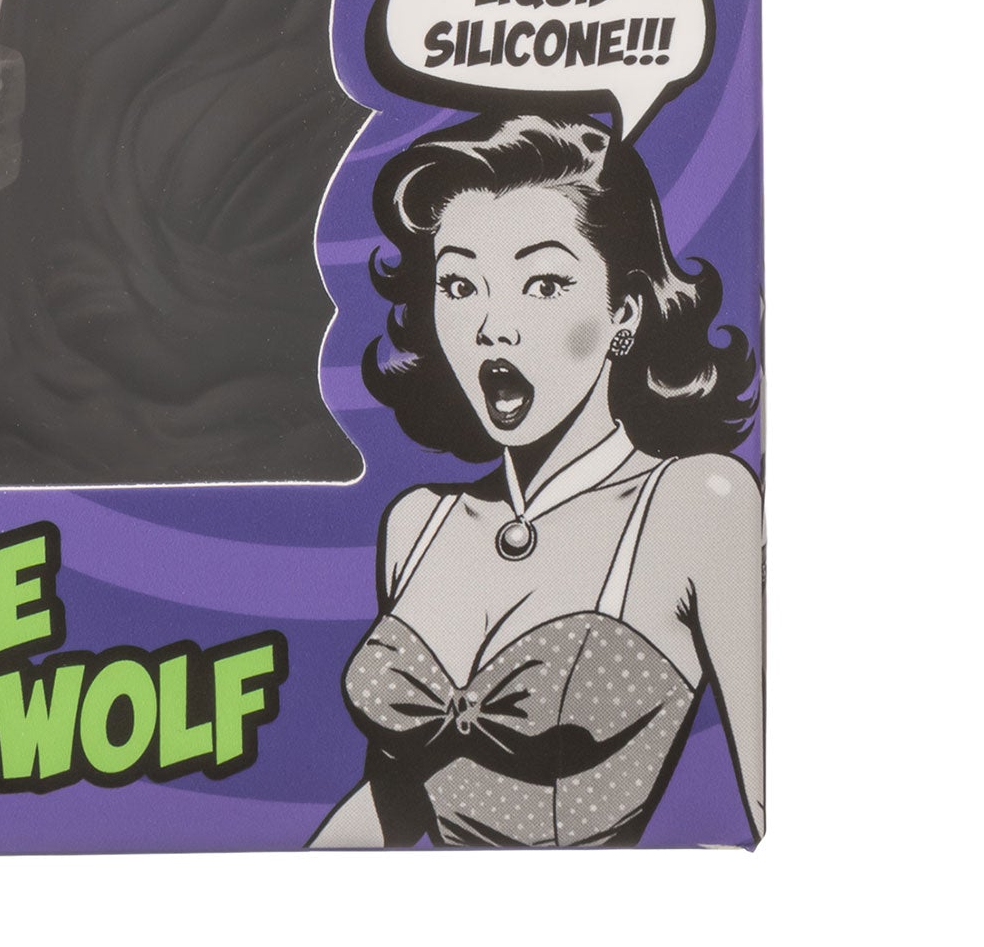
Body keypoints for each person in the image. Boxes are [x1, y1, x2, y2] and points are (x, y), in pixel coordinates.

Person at [312, 110, 763, 848]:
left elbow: (773, 803)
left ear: (624, 310)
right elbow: (394, 802)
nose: (493, 326)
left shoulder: (697, 503)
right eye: (460, 285)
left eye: (543, 284)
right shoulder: (417, 524)